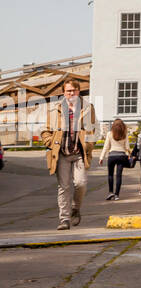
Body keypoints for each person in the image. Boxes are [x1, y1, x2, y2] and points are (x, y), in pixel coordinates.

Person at [40, 78, 97, 231]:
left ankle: (75, 208)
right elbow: (45, 131)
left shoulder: (87, 108)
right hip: (62, 154)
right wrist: (50, 143)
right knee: (63, 187)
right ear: (63, 93)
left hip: (80, 153)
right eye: (68, 91)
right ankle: (64, 219)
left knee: (81, 184)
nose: (72, 93)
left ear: (79, 91)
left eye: (74, 90)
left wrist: (89, 144)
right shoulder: (54, 110)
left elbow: (93, 129)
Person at [99, 119, 131, 201]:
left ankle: (110, 192)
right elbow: (127, 147)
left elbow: (106, 146)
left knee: (110, 174)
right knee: (119, 175)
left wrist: (101, 157)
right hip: (121, 156)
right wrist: (129, 155)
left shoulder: (110, 133)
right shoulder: (124, 134)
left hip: (112, 156)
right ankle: (117, 195)